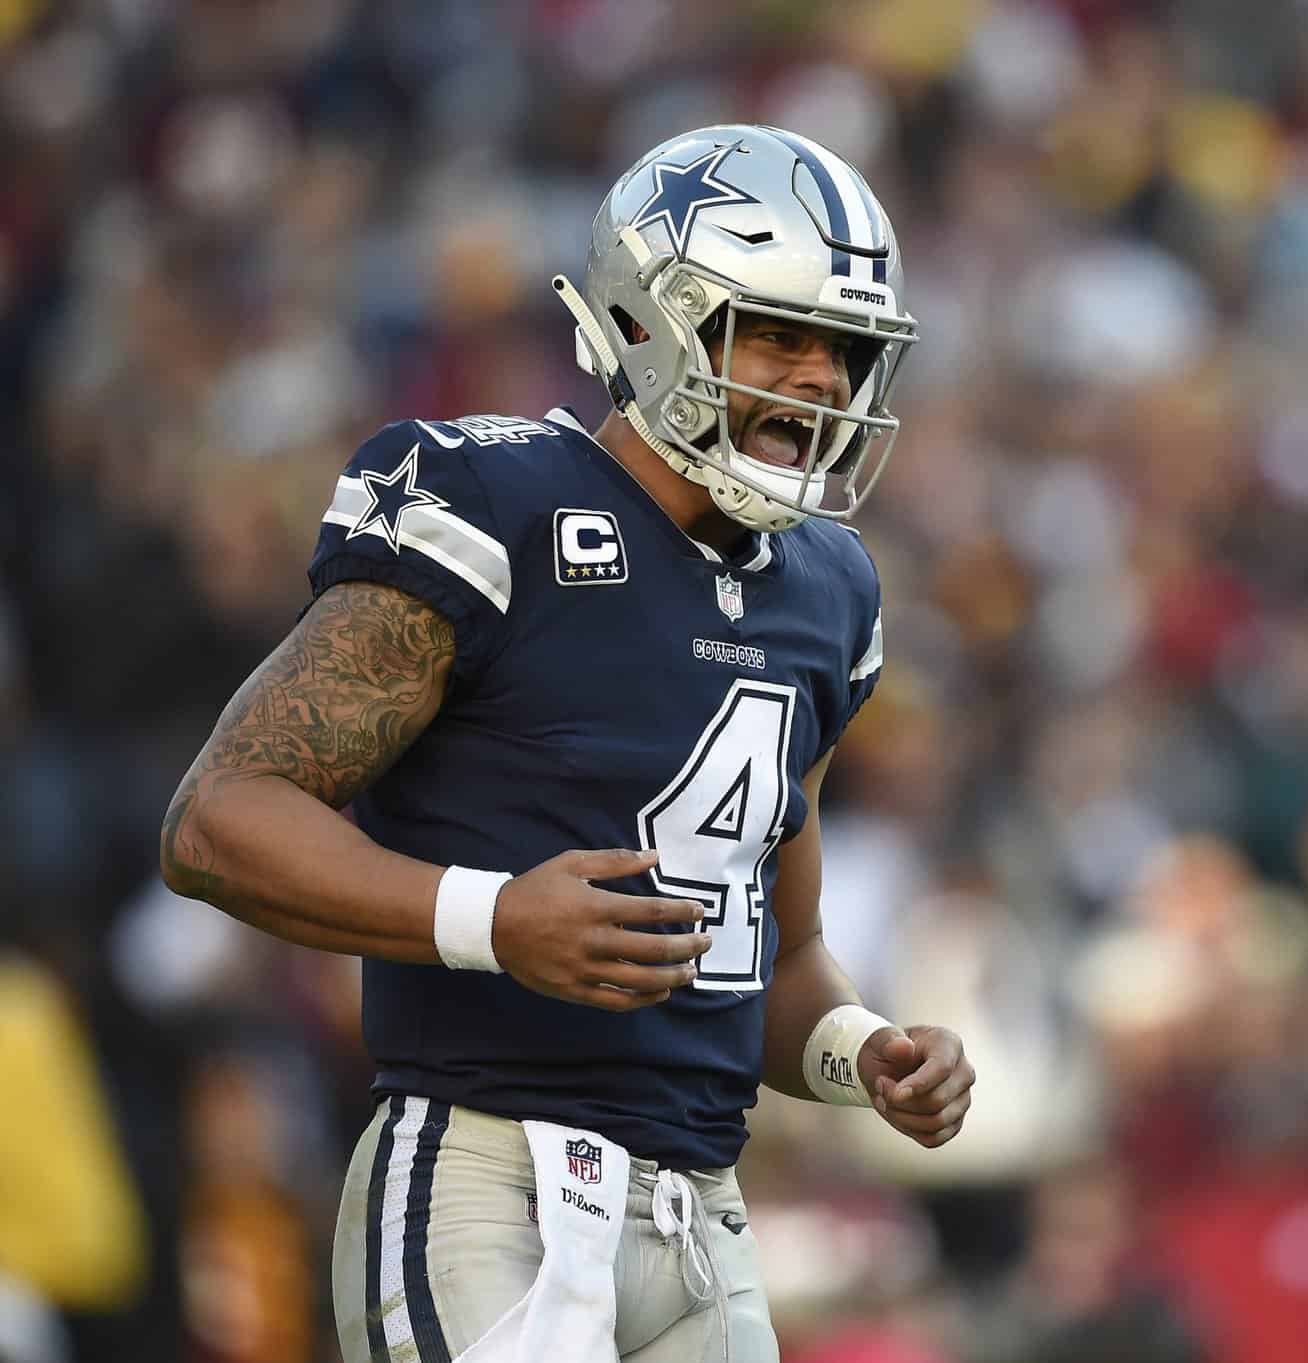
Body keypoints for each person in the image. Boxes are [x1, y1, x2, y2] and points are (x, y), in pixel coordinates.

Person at [159, 124, 975, 1363]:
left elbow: (774, 954)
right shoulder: (491, 501)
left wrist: (870, 1055)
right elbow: (218, 818)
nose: (819, 381)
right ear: (654, 324)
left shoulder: (830, 587)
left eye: (845, 349)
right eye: (777, 334)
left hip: (704, 1211)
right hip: (487, 1172)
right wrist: (493, 920)